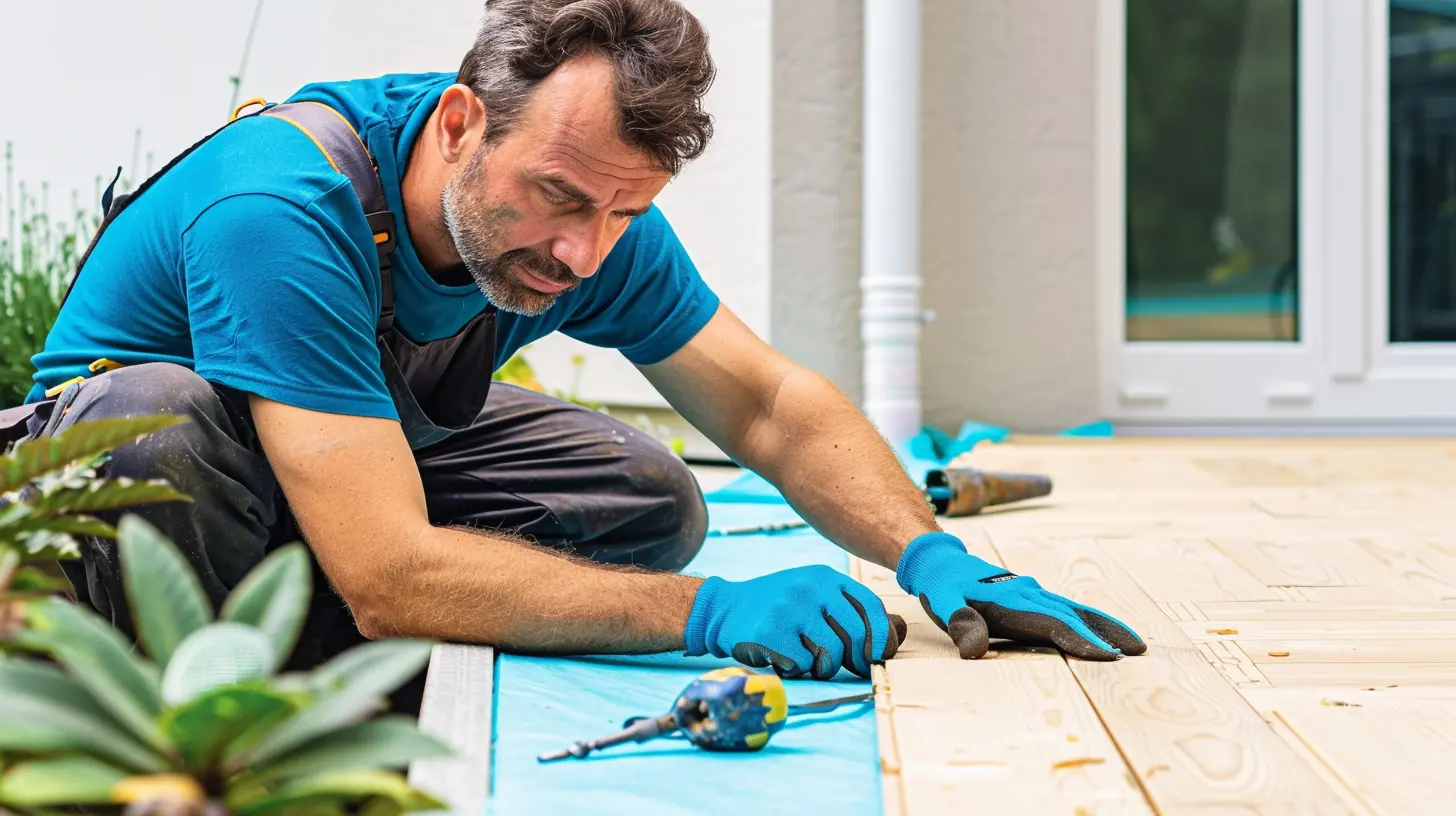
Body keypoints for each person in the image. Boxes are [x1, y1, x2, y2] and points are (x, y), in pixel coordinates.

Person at [4, 0, 1144, 705]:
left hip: (318, 487)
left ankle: (354, 643)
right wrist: (702, 615)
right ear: (460, 122)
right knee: (167, 418)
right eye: (558, 199)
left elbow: (767, 407)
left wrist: (934, 559)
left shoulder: (586, 216)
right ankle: (193, 713)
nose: (582, 252)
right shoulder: (281, 208)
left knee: (640, 493)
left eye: (621, 213)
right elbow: (392, 571)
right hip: (100, 532)